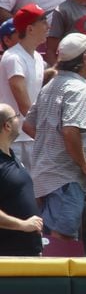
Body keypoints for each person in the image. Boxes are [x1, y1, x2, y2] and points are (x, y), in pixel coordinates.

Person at [24, 33, 86, 240]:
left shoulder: (51, 85)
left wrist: (51, 143)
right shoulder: (77, 89)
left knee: (50, 238)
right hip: (66, 179)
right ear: (85, 57)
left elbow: (28, 125)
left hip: (49, 176)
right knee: (61, 238)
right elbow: (70, 131)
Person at [0, 4, 48, 172]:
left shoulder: (36, 57)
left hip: (30, 137)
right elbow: (23, 103)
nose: (47, 25)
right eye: (43, 21)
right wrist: (42, 134)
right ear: (30, 29)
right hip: (15, 140)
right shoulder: (14, 57)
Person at [0, 103, 43, 256]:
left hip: (28, 251)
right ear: (7, 126)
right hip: (8, 257)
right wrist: (23, 225)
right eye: (16, 117)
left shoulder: (12, 157)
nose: (20, 120)